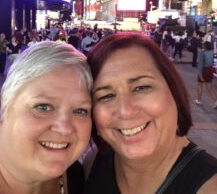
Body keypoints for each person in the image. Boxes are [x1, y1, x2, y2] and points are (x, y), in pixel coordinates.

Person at [85, 33, 217, 193]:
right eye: (106, 96)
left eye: (141, 88)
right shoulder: (93, 163)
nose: (126, 111)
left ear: (173, 91)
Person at [0, 41, 92, 194]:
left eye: (80, 111)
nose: (64, 129)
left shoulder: (76, 176)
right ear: (6, 103)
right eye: (43, 107)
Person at [194, 41, 217, 108]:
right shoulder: (212, 52)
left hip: (204, 70)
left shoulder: (202, 53)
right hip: (210, 70)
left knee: (199, 85)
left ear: (205, 46)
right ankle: (216, 100)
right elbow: (212, 62)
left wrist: (200, 75)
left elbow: (200, 65)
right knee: (209, 87)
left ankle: (199, 100)